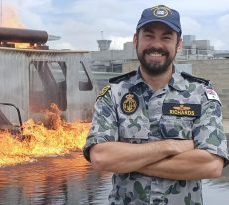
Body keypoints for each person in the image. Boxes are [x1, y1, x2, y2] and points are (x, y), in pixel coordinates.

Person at [83, 4, 229, 205]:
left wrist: (128, 159)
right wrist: (171, 146)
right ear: (136, 40)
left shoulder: (201, 94)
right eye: (149, 35)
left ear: (179, 44)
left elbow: (211, 166)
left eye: (166, 37)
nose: (156, 44)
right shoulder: (114, 93)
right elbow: (100, 157)